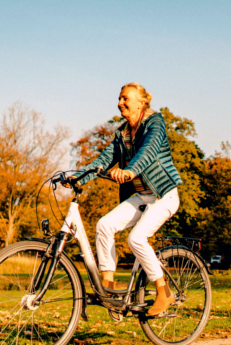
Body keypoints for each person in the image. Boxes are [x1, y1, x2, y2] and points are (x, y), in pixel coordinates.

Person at [70, 83, 183, 316]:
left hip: (164, 195)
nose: (120, 103)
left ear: (141, 102)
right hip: (142, 196)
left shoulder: (155, 123)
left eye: (125, 98)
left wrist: (129, 171)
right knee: (104, 225)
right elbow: (104, 159)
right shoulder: (122, 133)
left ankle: (164, 291)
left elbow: (148, 151)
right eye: (119, 99)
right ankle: (108, 290)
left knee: (137, 238)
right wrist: (77, 176)